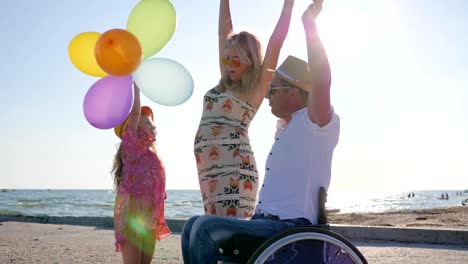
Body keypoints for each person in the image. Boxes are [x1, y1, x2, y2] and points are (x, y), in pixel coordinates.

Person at [182, 1, 340, 263]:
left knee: (204, 229)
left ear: (293, 91)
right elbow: (224, 35)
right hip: (262, 220)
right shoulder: (284, 128)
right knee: (192, 226)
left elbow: (322, 81)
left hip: (289, 227)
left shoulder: (315, 125)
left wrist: (309, 24)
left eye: (272, 89)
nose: (266, 94)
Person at [193, 0, 295, 219]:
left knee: (232, 233)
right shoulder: (225, 80)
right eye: (226, 59)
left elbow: (276, 41)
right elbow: (223, 33)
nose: (229, 65)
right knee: (216, 232)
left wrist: (288, 5)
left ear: (250, 61)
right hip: (209, 171)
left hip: (235, 170)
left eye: (236, 61)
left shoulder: (255, 87)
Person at [111, 84, 171, 264]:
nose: (152, 126)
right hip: (133, 217)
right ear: (134, 129)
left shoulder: (151, 153)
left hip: (150, 217)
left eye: (152, 123)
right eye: (147, 123)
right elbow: (135, 113)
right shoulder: (131, 147)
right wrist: (136, 88)